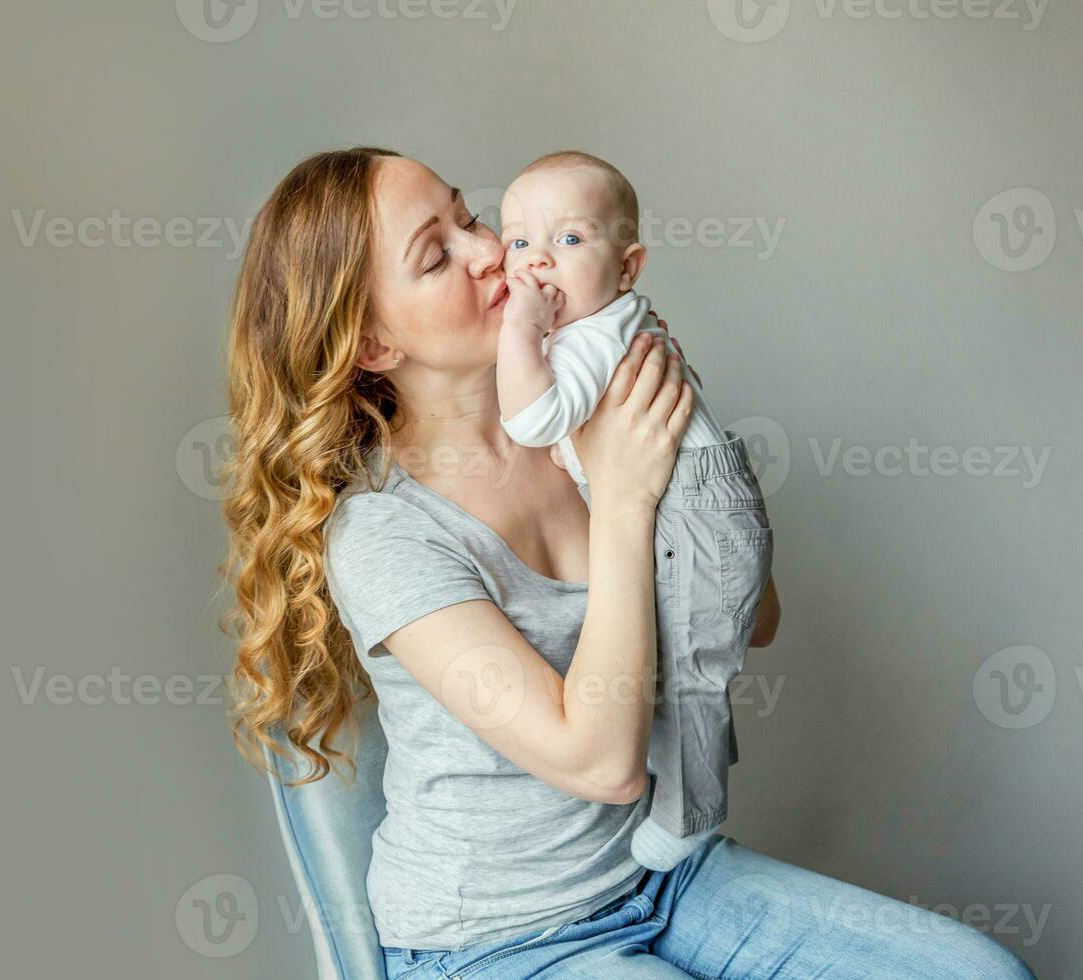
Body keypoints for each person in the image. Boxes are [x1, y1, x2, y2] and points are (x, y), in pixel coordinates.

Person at [220, 145, 1036, 978]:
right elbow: (602, 765)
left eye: (467, 216)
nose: (489, 251)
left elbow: (759, 619)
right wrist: (622, 498)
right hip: (496, 942)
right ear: (373, 347)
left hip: (664, 879)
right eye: (437, 255)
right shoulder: (387, 534)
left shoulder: (592, 410)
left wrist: (688, 454)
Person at [493, 149, 772, 871]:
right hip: (706, 496)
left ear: (629, 265)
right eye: (519, 242)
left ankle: (691, 813)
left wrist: (520, 328)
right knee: (687, 667)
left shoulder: (583, 337)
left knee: (687, 671)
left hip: (696, 505)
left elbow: (532, 420)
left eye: (570, 240)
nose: (537, 264)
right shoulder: (608, 327)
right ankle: (695, 774)